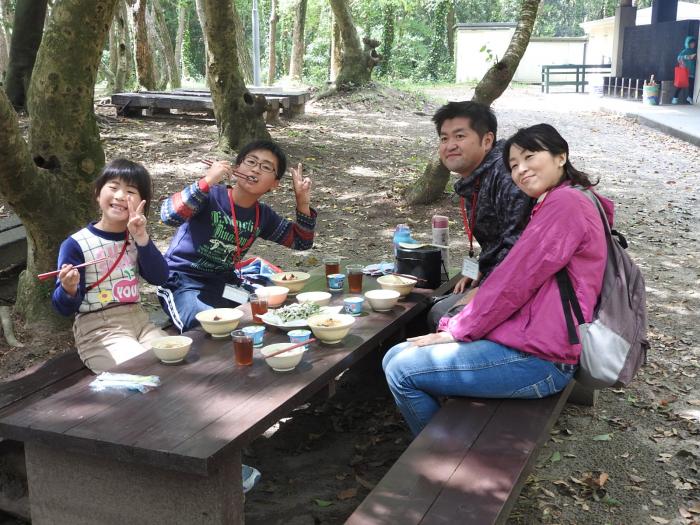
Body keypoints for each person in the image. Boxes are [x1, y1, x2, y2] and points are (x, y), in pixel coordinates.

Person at [383, 123, 611, 436]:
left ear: (560, 156)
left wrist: (457, 329)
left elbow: (516, 280)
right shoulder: (563, 199)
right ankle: (445, 439)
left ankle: (444, 461)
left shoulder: (565, 204)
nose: (522, 170)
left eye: (531, 157)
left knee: (400, 369)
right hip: (534, 341)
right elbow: (516, 277)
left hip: (542, 359)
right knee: (396, 355)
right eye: (514, 165)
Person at [157, 139, 315, 332]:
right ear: (236, 167)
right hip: (183, 281)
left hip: (223, 284)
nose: (255, 170)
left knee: (268, 307)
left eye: (266, 167)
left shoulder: (262, 215)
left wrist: (302, 203)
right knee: (208, 323)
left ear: (274, 184)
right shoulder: (209, 196)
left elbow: (301, 242)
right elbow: (169, 216)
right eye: (251, 162)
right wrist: (207, 181)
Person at [52, 159, 169, 373]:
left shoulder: (136, 238)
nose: (120, 196)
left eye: (131, 191)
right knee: (141, 369)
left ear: (143, 202)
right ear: (98, 193)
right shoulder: (75, 244)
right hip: (98, 328)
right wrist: (68, 289)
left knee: (174, 358)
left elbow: (160, 277)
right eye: (113, 187)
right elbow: (63, 308)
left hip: (140, 321)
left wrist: (142, 237)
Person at [427, 101, 533, 329]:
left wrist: (485, 288)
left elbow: (521, 247)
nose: (450, 145)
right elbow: (499, 240)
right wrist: (481, 267)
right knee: (436, 304)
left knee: (441, 315)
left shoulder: (506, 175)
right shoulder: (477, 177)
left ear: (487, 140)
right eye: (444, 138)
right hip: (499, 275)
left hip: (527, 289)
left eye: (459, 136)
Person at [672, 36, 697, 105]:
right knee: (680, 85)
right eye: (691, 43)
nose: (693, 45)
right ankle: (675, 98)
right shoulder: (685, 51)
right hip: (685, 72)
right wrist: (687, 57)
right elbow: (679, 58)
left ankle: (689, 98)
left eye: (694, 43)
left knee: (691, 86)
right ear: (688, 44)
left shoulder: (695, 51)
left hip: (692, 72)